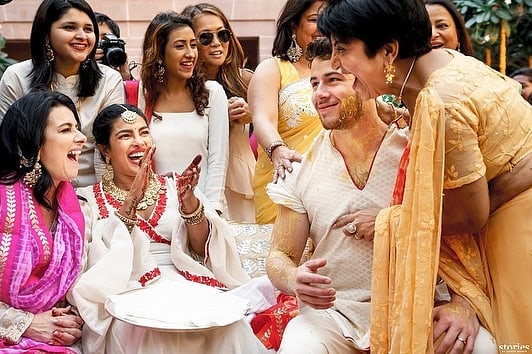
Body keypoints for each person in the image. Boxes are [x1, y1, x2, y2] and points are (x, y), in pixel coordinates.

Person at [318, 0, 532, 351]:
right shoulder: (452, 66)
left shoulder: (442, 100)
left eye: (342, 49)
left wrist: (390, 221)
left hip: (516, 236)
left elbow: (468, 213)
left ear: (388, 51)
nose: (337, 62)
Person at [69, 104, 271, 354]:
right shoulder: (87, 200)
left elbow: (203, 250)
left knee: (227, 326)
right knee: (150, 331)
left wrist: (189, 205)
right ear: (105, 150)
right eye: (125, 136)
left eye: (143, 132)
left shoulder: (176, 187)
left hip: (185, 282)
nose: (138, 142)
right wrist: (130, 203)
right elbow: (93, 268)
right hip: (128, 291)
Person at [0, 0, 124, 188]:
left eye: (88, 29)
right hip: (33, 190)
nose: (82, 36)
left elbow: (108, 149)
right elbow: (11, 146)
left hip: (92, 192)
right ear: (46, 35)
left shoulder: (109, 79)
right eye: (69, 27)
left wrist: (101, 201)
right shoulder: (16, 77)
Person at [0, 91, 86, 352]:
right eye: (66, 129)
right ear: (34, 144)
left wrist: (69, 322)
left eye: (78, 128)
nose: (81, 138)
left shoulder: (74, 211)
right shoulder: (3, 202)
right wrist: (24, 323)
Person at [137, 11, 229, 214]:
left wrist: (213, 209)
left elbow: (218, 158)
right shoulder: (142, 94)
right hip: (153, 211)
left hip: (202, 207)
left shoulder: (212, 93)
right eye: (180, 46)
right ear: (160, 53)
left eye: (193, 45)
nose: (190, 53)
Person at [248, 0, 325, 224]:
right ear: (294, 26)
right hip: (287, 179)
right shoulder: (273, 69)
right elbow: (262, 118)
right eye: (313, 19)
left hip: (334, 183)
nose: (322, 26)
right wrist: (278, 150)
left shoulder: (343, 68)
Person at [182, 3, 256, 222]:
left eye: (223, 35)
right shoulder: (180, 88)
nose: (217, 43)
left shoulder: (246, 80)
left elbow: (278, 123)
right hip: (199, 182)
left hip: (239, 182)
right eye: (206, 38)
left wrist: (252, 115)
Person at [94, 12, 133, 81]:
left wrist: (126, 80)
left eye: (105, 38)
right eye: (95, 37)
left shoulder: (117, 76)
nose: (99, 42)